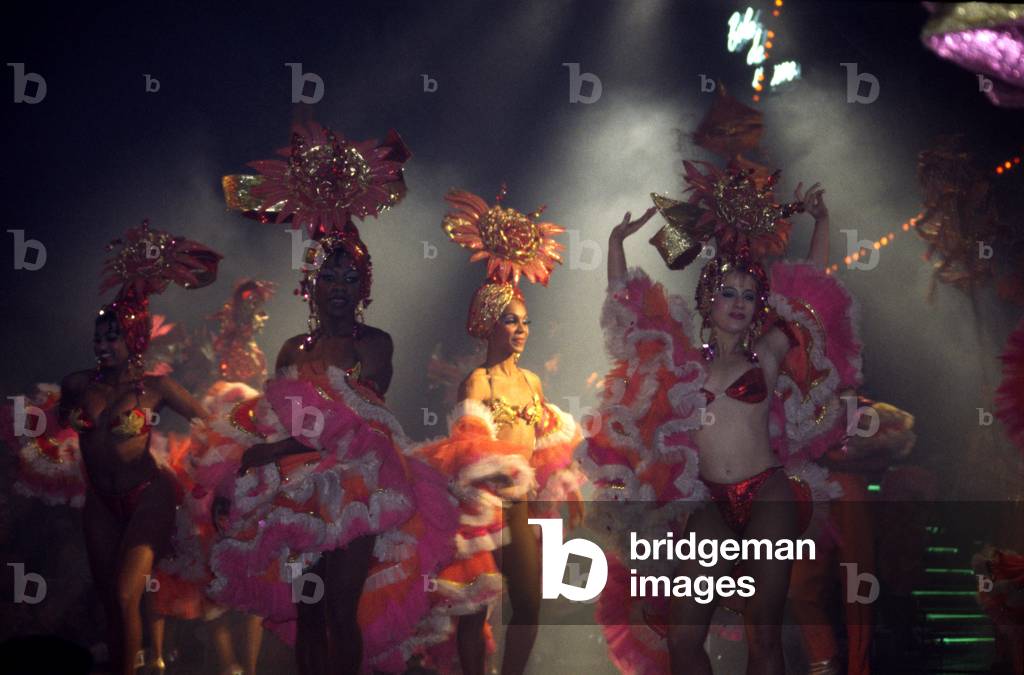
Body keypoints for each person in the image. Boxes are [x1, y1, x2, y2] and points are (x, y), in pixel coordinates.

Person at [583, 161, 862, 675]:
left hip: (769, 494)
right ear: (708, 296)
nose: (738, 303)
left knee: (765, 637)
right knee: (684, 637)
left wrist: (822, 223)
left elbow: (812, 296)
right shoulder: (681, 357)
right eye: (728, 292)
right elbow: (628, 314)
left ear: (759, 306)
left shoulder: (770, 355)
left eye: (749, 295)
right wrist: (616, 244)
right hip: (708, 501)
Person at [210, 121, 456, 674]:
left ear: (364, 283)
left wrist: (271, 454)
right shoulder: (292, 349)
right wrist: (247, 472)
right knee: (309, 613)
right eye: (330, 273)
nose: (339, 283)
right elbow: (271, 426)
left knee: (342, 611)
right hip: (298, 493)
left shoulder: (376, 344)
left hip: (358, 486)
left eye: (350, 273)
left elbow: (362, 420)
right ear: (312, 284)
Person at [411, 187, 585, 675]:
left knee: (529, 604)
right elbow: (469, 451)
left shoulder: (531, 381)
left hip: (523, 505)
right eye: (511, 321)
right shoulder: (478, 381)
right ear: (489, 324)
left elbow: (548, 450)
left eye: (525, 322)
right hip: (482, 505)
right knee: (474, 607)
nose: (521, 330)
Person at [58, 221, 220, 675]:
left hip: (149, 494)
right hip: (101, 500)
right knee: (111, 597)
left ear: (135, 340)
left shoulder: (156, 388)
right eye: (99, 336)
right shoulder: (76, 384)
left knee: (130, 592)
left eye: (113, 336)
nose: (102, 345)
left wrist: (218, 467)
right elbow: (50, 424)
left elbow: (211, 425)